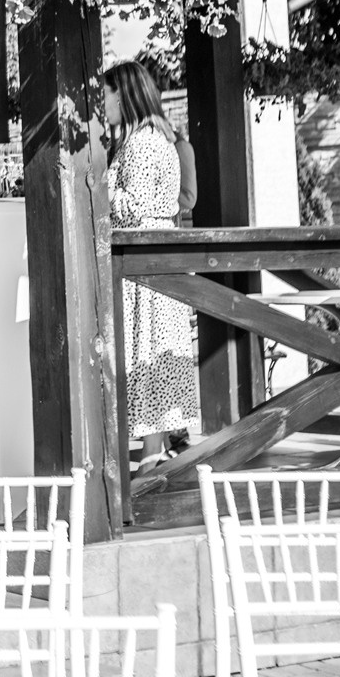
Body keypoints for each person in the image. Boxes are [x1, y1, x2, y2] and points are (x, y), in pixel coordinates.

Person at [104, 60, 199, 473]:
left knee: (147, 353)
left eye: (105, 95)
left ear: (123, 95)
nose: (101, 103)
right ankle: (152, 452)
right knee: (152, 353)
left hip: (145, 267)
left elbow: (135, 211)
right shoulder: (154, 136)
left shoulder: (143, 142)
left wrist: (100, 189)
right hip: (154, 265)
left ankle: (151, 455)